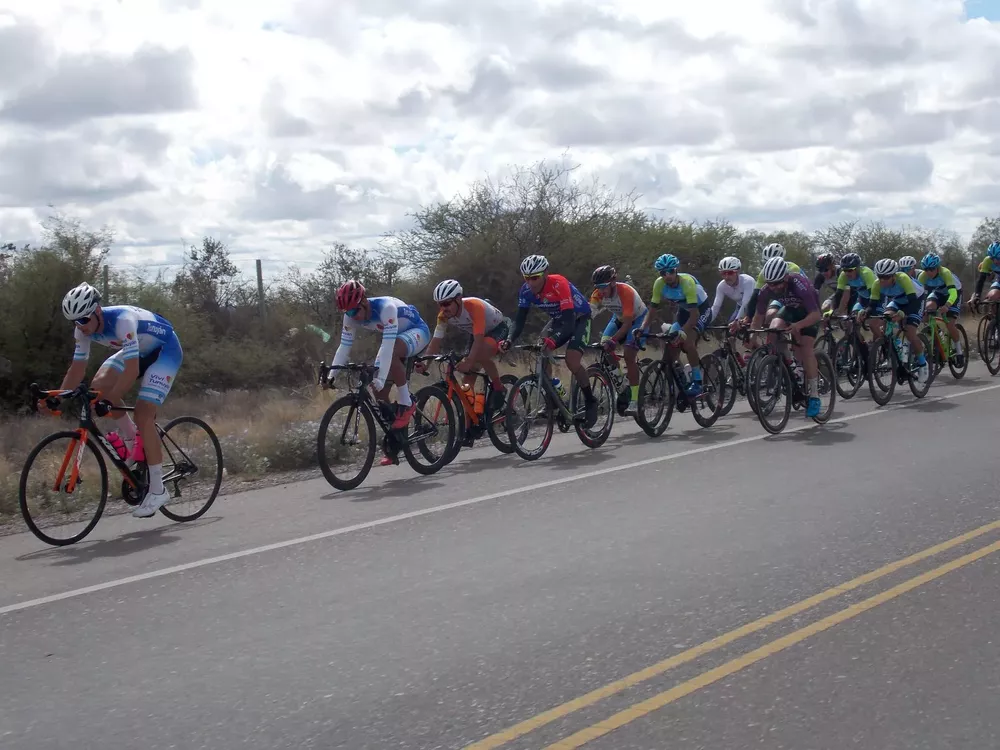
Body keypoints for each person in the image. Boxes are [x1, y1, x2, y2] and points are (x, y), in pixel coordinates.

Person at [53, 282, 183, 518]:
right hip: (138, 350)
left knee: (143, 414)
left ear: (97, 311)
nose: (79, 327)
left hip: (165, 351)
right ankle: (135, 441)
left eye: (83, 320)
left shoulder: (123, 321)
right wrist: (59, 397)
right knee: (99, 387)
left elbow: (132, 371)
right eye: (74, 321)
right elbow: (77, 369)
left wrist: (110, 400)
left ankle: (158, 490)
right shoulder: (82, 329)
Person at [328, 280, 431, 464]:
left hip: (417, 331)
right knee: (379, 392)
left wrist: (382, 377)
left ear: (364, 302)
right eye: (348, 312)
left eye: (354, 311)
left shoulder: (386, 308)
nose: (352, 316)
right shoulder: (350, 316)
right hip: (396, 339)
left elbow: (388, 345)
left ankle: (407, 403)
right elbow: (344, 346)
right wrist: (331, 375)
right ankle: (396, 442)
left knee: (387, 360)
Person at [499, 254, 598, 428]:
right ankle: (555, 399)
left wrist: (554, 340)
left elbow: (569, 322)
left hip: (579, 318)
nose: (531, 283)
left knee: (572, 360)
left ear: (545, 273)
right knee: (541, 353)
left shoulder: (559, 283)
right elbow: (520, 320)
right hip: (559, 319)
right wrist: (508, 340)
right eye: (527, 278)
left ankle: (590, 400)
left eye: (535, 278)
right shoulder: (525, 291)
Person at [420, 279, 510, 417]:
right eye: (440, 304)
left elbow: (479, 339)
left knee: (480, 354)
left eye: (446, 303)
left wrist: (468, 361)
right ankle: (471, 424)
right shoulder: (443, 316)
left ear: (458, 299)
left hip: (497, 329)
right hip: (477, 333)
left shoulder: (474, 306)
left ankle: (499, 388)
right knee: (466, 383)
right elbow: (436, 341)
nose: (443, 308)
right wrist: (425, 363)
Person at [751, 257, 823, 417]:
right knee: (774, 329)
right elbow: (759, 315)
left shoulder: (800, 285)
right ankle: (786, 363)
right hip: (790, 309)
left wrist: (799, 325)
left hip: (809, 314)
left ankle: (814, 396)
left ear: (785, 277)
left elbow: (816, 315)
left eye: (777, 283)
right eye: (770, 283)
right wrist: (753, 336)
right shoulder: (766, 289)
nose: (773, 287)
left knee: (806, 348)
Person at [589, 264, 649, 415]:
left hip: (638, 319)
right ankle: (622, 384)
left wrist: (614, 341)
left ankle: (635, 400)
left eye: (604, 286)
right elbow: (588, 316)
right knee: (604, 347)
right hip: (618, 319)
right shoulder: (597, 294)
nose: (601, 291)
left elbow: (628, 324)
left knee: (629, 355)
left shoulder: (625, 292)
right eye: (598, 287)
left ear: (613, 282)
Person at [859, 258, 929, 383]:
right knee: (886, 320)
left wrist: (902, 314)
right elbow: (872, 305)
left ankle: (923, 364)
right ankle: (895, 350)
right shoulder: (876, 284)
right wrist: (865, 312)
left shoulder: (903, 278)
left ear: (893, 276)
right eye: (880, 277)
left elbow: (912, 301)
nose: (882, 280)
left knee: (910, 332)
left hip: (915, 301)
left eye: (886, 277)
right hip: (898, 300)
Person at [649, 253, 710, 396]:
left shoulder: (687, 282)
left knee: (687, 342)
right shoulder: (659, 283)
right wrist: (641, 328)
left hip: (701, 311)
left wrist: (683, 331)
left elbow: (694, 315)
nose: (667, 275)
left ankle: (697, 381)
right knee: (670, 345)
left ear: (676, 270)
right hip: (684, 312)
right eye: (663, 273)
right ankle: (683, 374)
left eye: (671, 271)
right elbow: (652, 310)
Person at [917, 253, 965, 366]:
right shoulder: (922, 276)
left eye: (932, 269)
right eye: (926, 269)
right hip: (938, 293)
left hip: (953, 294)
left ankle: (959, 351)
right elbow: (919, 296)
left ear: (937, 267)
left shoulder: (945, 273)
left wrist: (947, 305)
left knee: (950, 323)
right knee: (927, 311)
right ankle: (937, 334)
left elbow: (952, 293)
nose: (929, 272)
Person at [709, 256, 755, 332]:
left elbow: (746, 303)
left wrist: (737, 320)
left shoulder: (748, 281)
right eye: (723, 273)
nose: (727, 277)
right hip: (740, 307)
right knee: (729, 332)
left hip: (755, 306)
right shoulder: (722, 286)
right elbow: (716, 307)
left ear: (738, 272)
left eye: (730, 273)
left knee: (752, 331)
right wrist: (706, 322)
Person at [969, 240, 1000, 312]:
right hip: (998, 278)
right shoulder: (987, 261)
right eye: (993, 258)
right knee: (992, 297)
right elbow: (981, 280)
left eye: (999, 258)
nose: (995, 261)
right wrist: (977, 295)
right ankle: (995, 317)